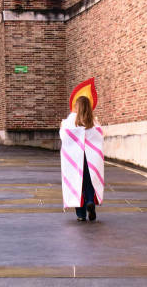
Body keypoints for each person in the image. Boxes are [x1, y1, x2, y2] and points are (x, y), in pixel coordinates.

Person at [60, 78, 104, 222]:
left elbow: (64, 136)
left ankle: (80, 214)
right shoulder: (93, 121)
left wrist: (62, 127)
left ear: (76, 106)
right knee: (89, 180)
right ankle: (90, 200)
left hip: (75, 158)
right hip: (90, 158)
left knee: (76, 182)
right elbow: (99, 136)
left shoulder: (70, 120)